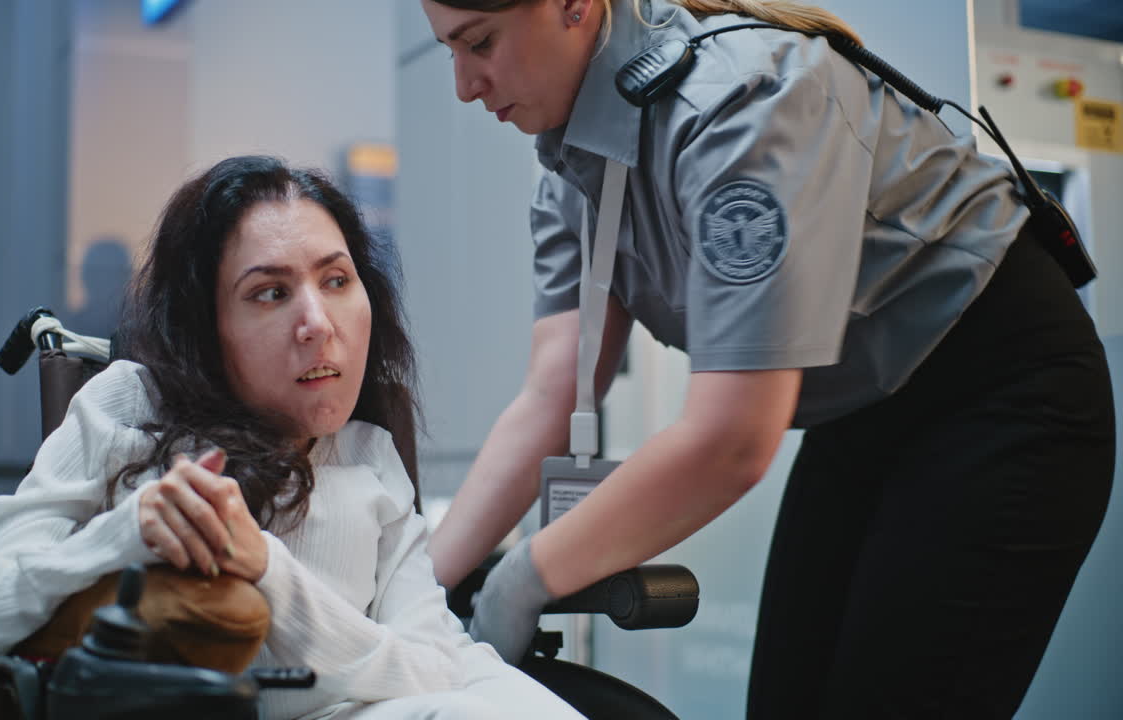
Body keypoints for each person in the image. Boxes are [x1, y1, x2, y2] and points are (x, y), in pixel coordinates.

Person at [420, 1, 1116, 717]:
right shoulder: (571, 172)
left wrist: (524, 579)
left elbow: (731, 441)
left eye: (481, 43)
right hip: (866, 411)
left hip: (1001, 387)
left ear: (573, 6)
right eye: (450, 51)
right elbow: (553, 394)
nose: (464, 86)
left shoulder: (737, 105)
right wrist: (414, 594)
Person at [0, 155, 585, 720]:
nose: (317, 323)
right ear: (205, 326)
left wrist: (270, 571)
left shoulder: (371, 452)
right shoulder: (129, 405)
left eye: (337, 281)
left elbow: (430, 666)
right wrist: (122, 536)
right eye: (271, 293)